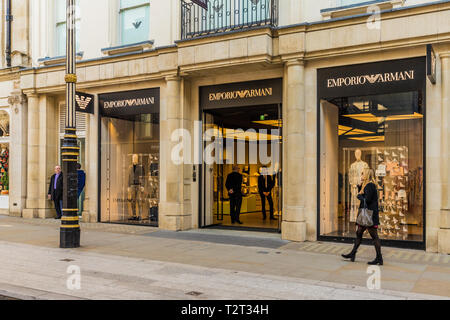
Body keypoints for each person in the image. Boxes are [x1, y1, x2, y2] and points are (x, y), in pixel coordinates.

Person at [342, 168, 383, 265]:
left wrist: (359, 196)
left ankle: (379, 258)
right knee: (359, 233)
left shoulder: (370, 185)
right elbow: (366, 197)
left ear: (367, 175)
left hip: (369, 216)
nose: (361, 176)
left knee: (374, 237)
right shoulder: (368, 185)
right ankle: (353, 253)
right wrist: (360, 188)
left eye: (363, 174)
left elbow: (367, 199)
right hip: (367, 215)